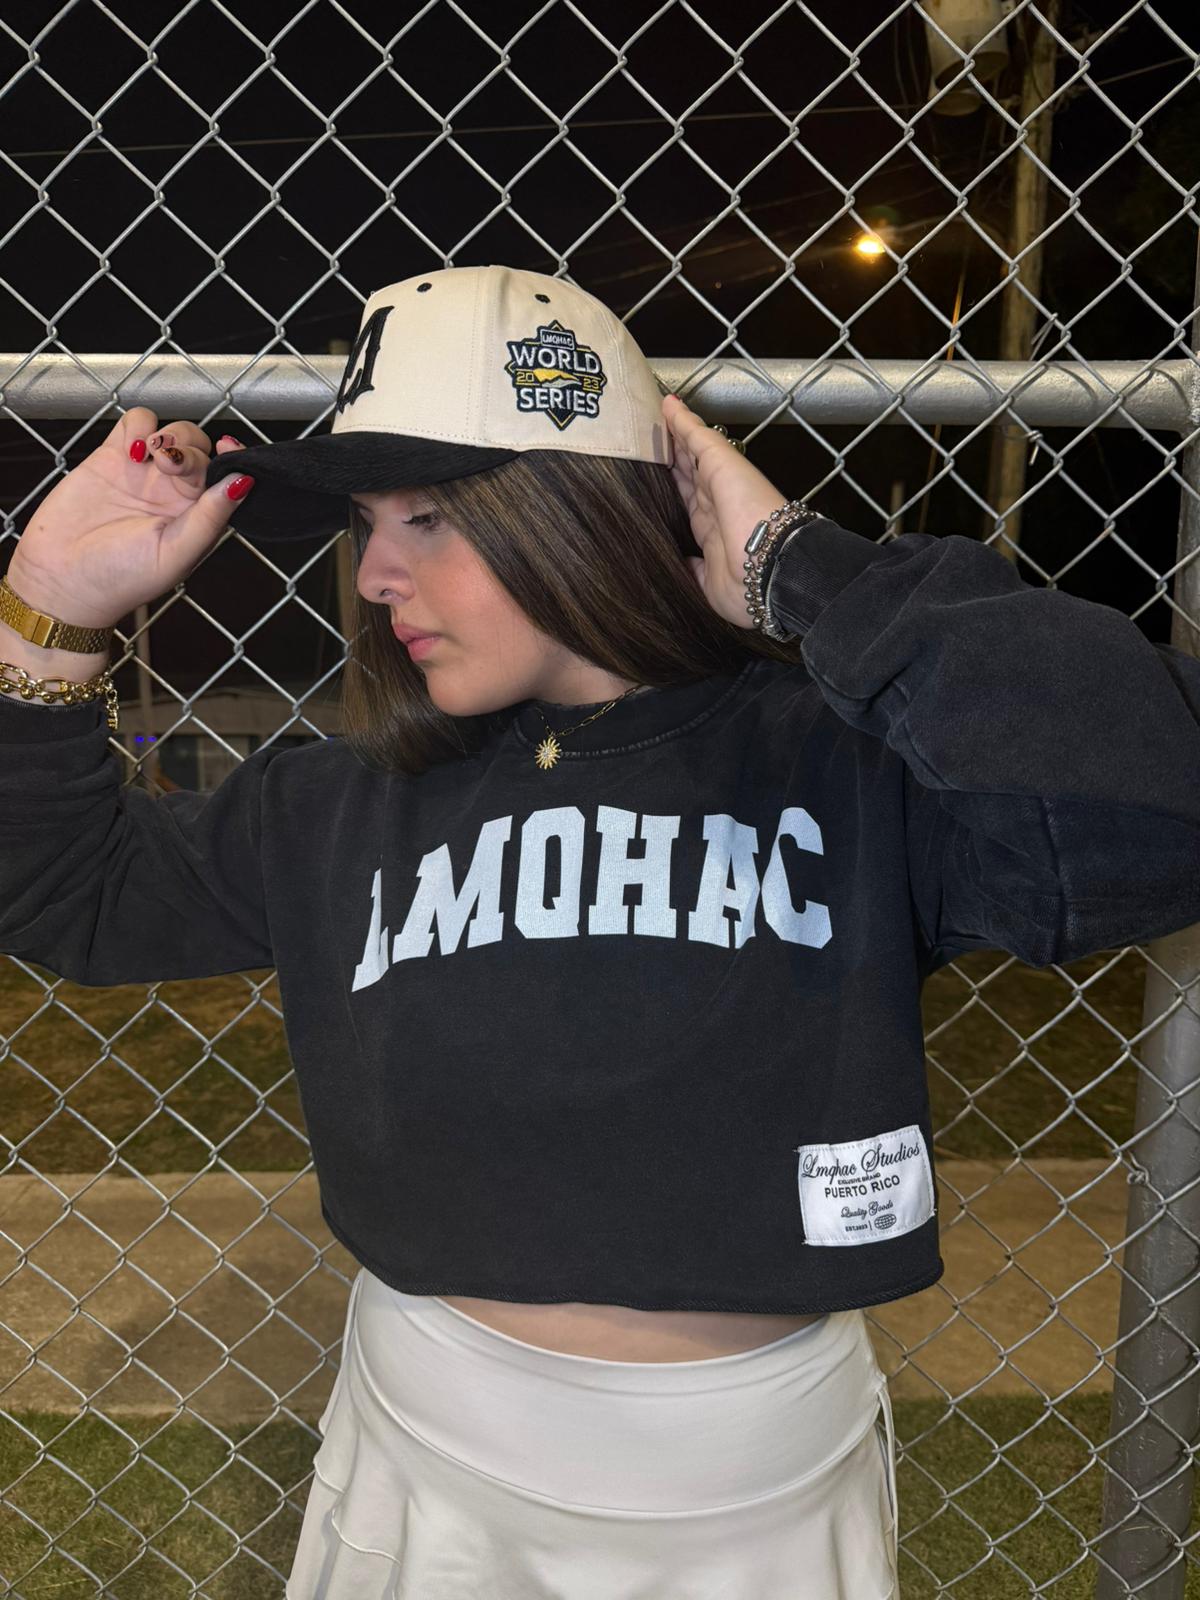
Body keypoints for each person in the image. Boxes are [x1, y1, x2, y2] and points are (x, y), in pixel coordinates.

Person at [1, 264, 1197, 1600]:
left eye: (430, 515)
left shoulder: (840, 763)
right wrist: (47, 611)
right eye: (366, 523)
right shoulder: (345, 799)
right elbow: (67, 891)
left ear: (574, 514)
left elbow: (1166, 801)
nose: (378, 573)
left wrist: (801, 572)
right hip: (428, 1454)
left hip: (759, 1495)